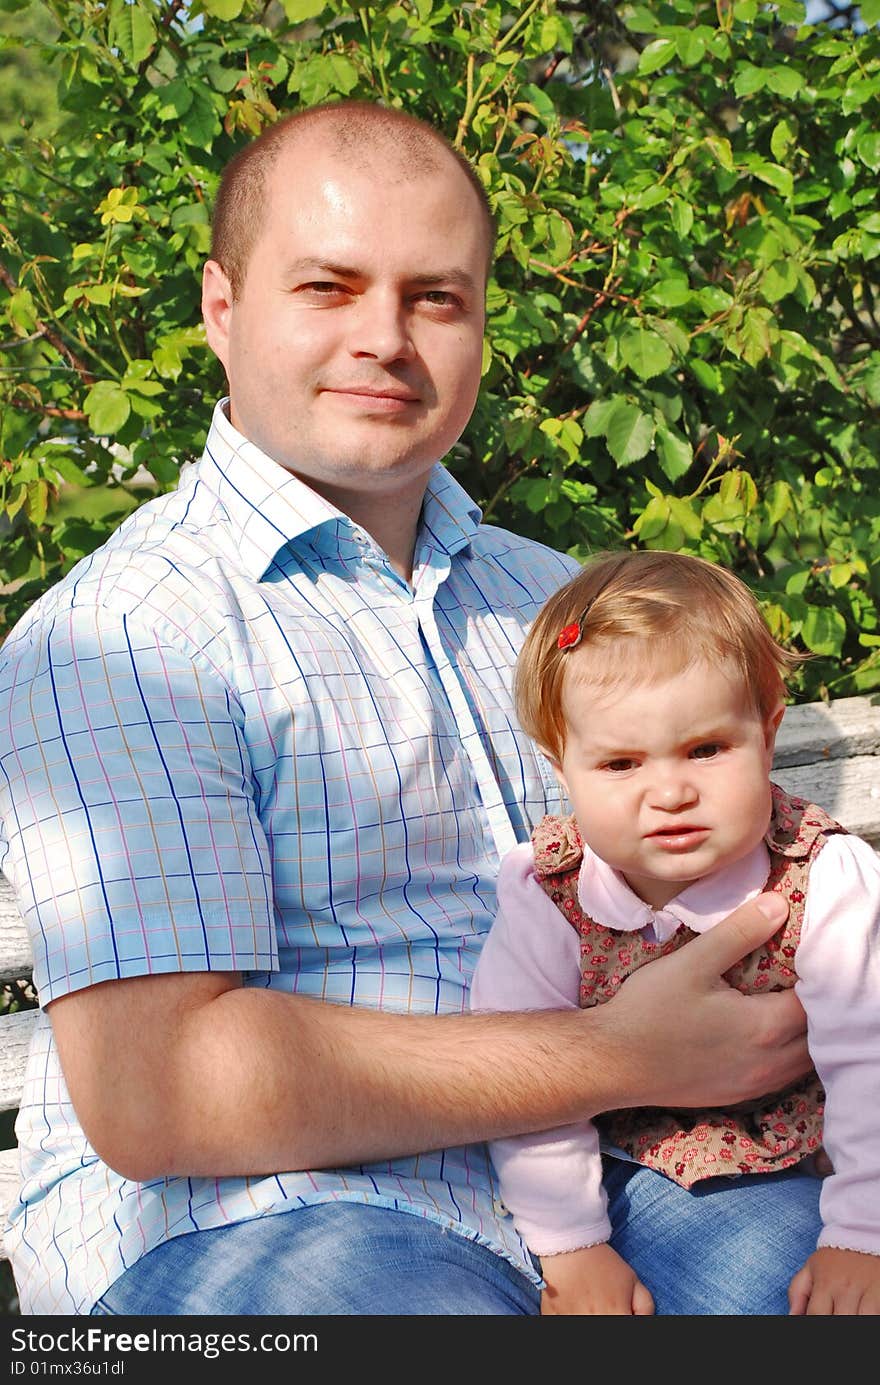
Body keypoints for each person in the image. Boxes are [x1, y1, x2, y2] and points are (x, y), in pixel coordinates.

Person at [0, 101, 815, 1317]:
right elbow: (158, 1090)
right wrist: (620, 1052)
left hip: (620, 1168)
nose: (385, 337)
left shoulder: (553, 605)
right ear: (222, 309)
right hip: (273, 1208)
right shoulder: (125, 634)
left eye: (435, 297)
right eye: (328, 288)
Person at [472, 549, 880, 1316]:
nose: (670, 791)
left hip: (816, 1158)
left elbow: (871, 1058)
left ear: (768, 732)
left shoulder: (824, 877)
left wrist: (861, 1236)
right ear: (564, 770)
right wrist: (572, 1246)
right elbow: (527, 1072)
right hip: (614, 1163)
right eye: (621, 763)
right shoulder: (550, 896)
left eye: (705, 749)